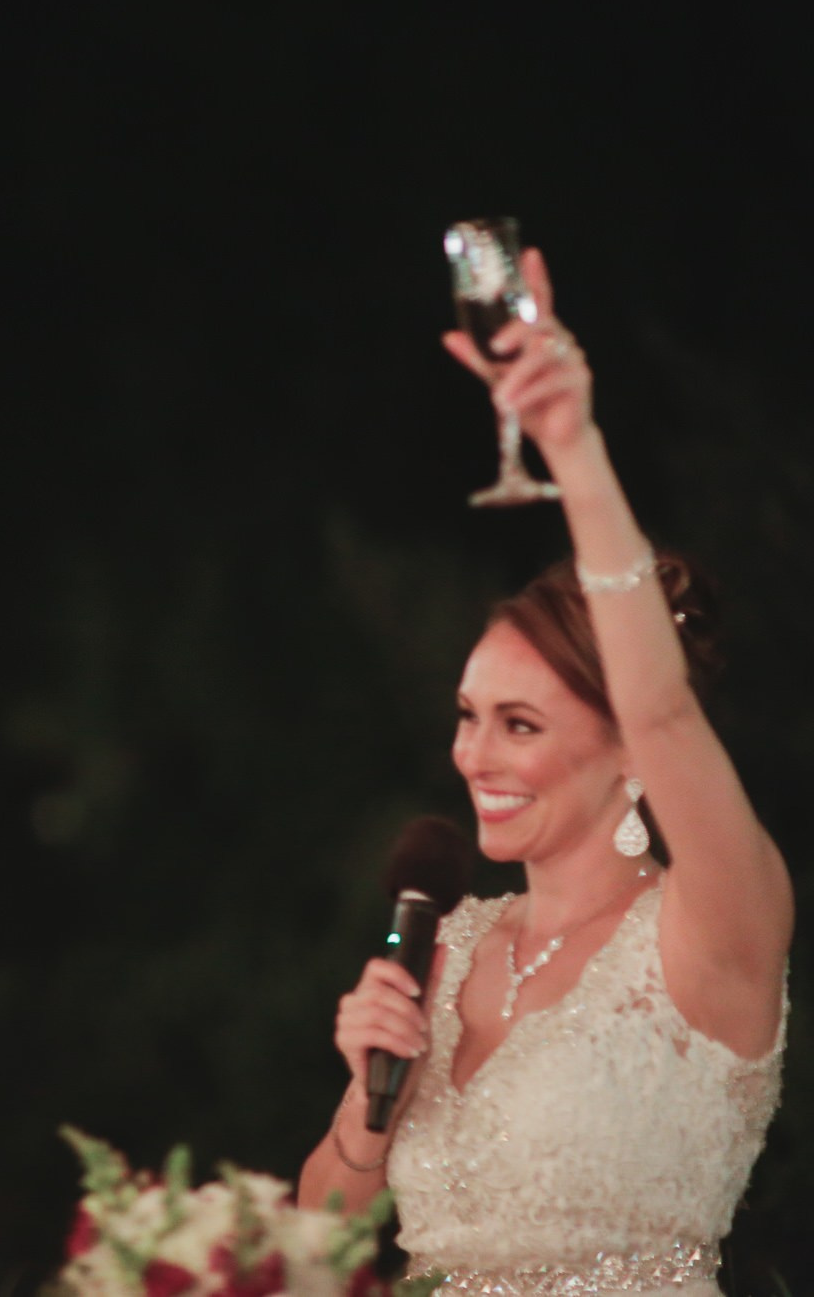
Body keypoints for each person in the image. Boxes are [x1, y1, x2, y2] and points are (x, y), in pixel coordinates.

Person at [298, 249, 791, 1294]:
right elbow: (318, 1239)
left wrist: (569, 446)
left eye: (517, 725)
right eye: (467, 716)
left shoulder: (711, 924)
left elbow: (658, 705)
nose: (471, 756)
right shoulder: (452, 941)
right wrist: (362, 1105)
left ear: (628, 749)